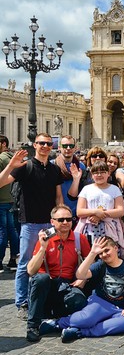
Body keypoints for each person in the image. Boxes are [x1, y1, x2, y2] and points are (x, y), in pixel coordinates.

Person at [0, 134, 64, 320]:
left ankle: (45, 298)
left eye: (48, 143)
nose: (45, 146)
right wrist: (12, 164)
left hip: (49, 223)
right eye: (41, 143)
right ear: (34, 145)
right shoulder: (24, 166)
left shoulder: (54, 170)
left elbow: (58, 196)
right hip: (29, 223)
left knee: (50, 261)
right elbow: (1, 182)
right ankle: (22, 302)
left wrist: (59, 218)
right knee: (25, 263)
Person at [25, 204, 91, 342]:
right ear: (52, 222)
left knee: (79, 301)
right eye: (61, 220)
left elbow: (91, 263)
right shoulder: (45, 239)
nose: (66, 222)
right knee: (40, 279)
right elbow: (31, 270)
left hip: (68, 285)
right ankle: (33, 326)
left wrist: (83, 279)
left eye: (69, 219)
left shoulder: (80, 239)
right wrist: (43, 247)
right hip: (47, 285)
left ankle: (58, 322)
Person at [56, 236, 124, 343]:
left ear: (116, 248)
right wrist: (92, 253)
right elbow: (80, 275)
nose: (104, 255)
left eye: (106, 250)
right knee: (85, 319)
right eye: (101, 253)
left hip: (118, 309)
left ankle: (79, 332)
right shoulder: (100, 266)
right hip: (99, 304)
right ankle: (58, 323)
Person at [75, 161, 124, 257]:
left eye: (102, 172)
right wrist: (95, 212)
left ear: (108, 173)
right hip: (90, 229)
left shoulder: (114, 189)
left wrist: (100, 215)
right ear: (92, 175)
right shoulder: (86, 189)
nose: (99, 175)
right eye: (95, 172)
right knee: (90, 256)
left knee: (109, 254)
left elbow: (120, 211)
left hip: (109, 229)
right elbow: (80, 211)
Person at [53, 135, 86, 217]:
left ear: (75, 148)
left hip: (76, 211)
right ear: (59, 147)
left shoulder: (81, 167)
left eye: (71, 146)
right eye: (65, 146)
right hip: (56, 212)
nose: (68, 148)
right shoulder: (52, 165)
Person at [0, 135, 18, 272]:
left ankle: (0, 261)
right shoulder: (12, 158)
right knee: (12, 231)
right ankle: (12, 259)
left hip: (1, 199)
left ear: (3, 144)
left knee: (2, 231)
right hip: (11, 199)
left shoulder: (1, 159)